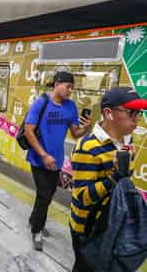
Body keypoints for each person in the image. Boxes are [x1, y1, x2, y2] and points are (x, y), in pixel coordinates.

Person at [69, 86, 147, 272]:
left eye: (140, 113)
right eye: (131, 112)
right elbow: (82, 197)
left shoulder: (126, 140)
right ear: (108, 113)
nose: (137, 118)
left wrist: (127, 164)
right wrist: (115, 176)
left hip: (112, 221)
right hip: (89, 229)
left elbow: (124, 176)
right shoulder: (87, 147)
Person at [24, 71, 91, 251]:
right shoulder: (41, 103)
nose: (70, 90)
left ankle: (33, 220)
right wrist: (44, 155)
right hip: (39, 159)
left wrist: (86, 128)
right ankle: (37, 230)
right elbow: (28, 131)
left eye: (72, 87)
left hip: (57, 160)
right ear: (57, 84)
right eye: (68, 86)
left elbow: (75, 133)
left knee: (47, 194)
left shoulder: (71, 107)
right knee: (44, 195)